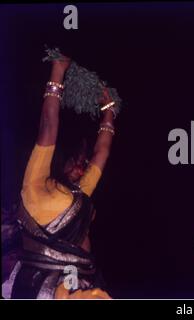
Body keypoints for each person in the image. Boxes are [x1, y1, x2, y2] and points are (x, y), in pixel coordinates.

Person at [2, 54, 116, 299]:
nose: (83, 168)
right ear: (63, 161)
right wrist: (57, 71)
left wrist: (108, 109)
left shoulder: (80, 192)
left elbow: (102, 152)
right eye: (78, 162)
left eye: (84, 164)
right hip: (43, 285)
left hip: (77, 283)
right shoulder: (35, 184)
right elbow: (48, 126)